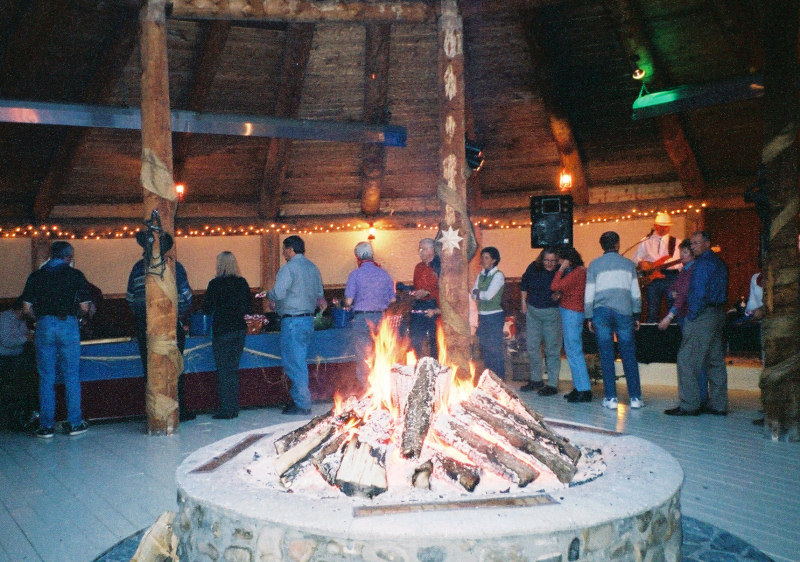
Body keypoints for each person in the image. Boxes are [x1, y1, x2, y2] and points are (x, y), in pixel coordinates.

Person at [20, 241, 92, 438]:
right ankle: (75, 423)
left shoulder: (36, 276)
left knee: (46, 377)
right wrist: (77, 316)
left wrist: (41, 319)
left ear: (50, 255)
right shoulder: (76, 275)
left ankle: (46, 426)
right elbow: (85, 307)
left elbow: (26, 309)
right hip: (68, 325)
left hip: (44, 325)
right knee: (71, 376)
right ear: (69, 257)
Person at [126, 237, 195, 422]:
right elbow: (186, 297)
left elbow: (131, 298)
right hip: (170, 325)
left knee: (150, 370)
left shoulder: (137, 268)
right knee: (175, 369)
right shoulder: (175, 267)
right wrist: (175, 314)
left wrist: (144, 316)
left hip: (145, 327)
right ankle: (178, 411)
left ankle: (154, 413)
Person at [665, 231, 729, 416]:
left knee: (686, 359)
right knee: (714, 360)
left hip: (702, 315)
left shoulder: (702, 264)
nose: (693, 247)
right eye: (691, 243)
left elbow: (699, 292)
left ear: (707, 243)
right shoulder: (718, 262)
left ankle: (689, 404)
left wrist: (692, 315)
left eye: (696, 243)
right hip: (717, 312)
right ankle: (718, 404)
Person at [267, 235, 326, 416]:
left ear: (290, 250)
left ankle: (302, 403)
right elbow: (320, 295)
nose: (283, 253)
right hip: (308, 320)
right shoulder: (313, 268)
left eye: (284, 249)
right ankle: (299, 399)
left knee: (294, 363)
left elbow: (278, 293)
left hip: (292, 320)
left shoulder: (288, 268)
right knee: (299, 361)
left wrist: (270, 296)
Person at [585, 231, 643, 410]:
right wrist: (637, 313)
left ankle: (611, 398)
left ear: (601, 245)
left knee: (606, 355)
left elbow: (589, 293)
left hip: (601, 313)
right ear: (618, 244)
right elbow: (635, 292)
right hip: (624, 312)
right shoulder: (628, 264)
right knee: (628, 354)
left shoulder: (594, 265)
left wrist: (589, 316)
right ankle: (635, 398)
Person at [658, 239, 709, 405]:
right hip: (683, 315)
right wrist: (673, 293)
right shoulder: (684, 270)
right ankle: (698, 397)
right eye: (681, 252)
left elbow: (683, 295)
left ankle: (697, 398)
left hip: (689, 316)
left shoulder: (693, 270)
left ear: (693, 254)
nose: (682, 256)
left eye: (685, 252)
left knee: (691, 358)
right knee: (692, 357)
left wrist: (669, 316)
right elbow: (673, 289)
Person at [203, 251, 251, 419]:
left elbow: (207, 308)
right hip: (239, 329)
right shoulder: (242, 283)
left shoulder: (215, 284)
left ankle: (226, 409)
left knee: (223, 371)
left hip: (222, 330)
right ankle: (234, 407)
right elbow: (248, 307)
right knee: (233, 369)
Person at [344, 241, 396, 387]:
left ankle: (367, 388)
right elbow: (393, 299)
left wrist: (347, 304)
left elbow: (348, 301)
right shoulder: (384, 274)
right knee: (382, 352)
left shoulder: (355, 275)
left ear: (357, 257)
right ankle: (383, 386)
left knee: (364, 355)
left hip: (362, 319)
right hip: (381, 318)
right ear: (372, 255)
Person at [550, 245, 592, 403]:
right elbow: (567, 289)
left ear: (567, 259)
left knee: (574, 351)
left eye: (560, 260)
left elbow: (555, 286)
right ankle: (579, 387)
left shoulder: (578, 271)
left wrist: (561, 269)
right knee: (571, 351)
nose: (558, 263)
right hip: (571, 311)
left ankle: (584, 390)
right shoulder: (578, 271)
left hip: (572, 312)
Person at [519, 248, 562, 395]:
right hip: (533, 313)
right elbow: (524, 284)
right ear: (541, 259)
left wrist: (560, 293)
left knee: (552, 349)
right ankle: (536, 380)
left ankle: (552, 384)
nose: (549, 264)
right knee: (532, 347)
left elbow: (567, 287)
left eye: (552, 261)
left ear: (557, 260)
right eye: (546, 260)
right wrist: (523, 302)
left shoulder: (560, 270)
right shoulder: (534, 267)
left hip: (552, 314)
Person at [634, 212, 682, 322]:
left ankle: (673, 331)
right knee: (652, 309)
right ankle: (651, 331)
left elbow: (681, 263)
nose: (663, 228)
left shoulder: (677, 242)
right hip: (652, 278)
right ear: (655, 226)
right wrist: (642, 263)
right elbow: (636, 259)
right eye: (661, 226)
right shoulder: (646, 241)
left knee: (673, 308)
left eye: (666, 226)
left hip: (671, 276)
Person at [0, 299, 36, 428]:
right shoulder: (4, 319)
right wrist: (27, 338)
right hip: (5, 358)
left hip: (17, 356)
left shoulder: (22, 320)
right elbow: (7, 341)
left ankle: (28, 410)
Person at [471, 247, 506, 379]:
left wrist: (478, 293)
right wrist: (479, 294)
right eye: (482, 258)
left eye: (486, 258)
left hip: (494, 316)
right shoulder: (481, 275)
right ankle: (490, 378)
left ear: (494, 260)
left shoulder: (498, 275)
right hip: (483, 316)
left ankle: (499, 378)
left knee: (495, 349)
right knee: (486, 349)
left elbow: (488, 295)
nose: (483, 260)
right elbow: (473, 294)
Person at [410, 237, 441, 359]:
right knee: (415, 337)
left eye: (423, 249)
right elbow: (416, 286)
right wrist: (416, 293)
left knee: (434, 339)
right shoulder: (418, 267)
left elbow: (444, 290)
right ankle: (419, 362)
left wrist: (428, 293)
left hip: (435, 305)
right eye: (419, 249)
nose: (420, 252)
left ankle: (434, 364)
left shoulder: (439, 267)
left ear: (432, 250)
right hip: (419, 305)